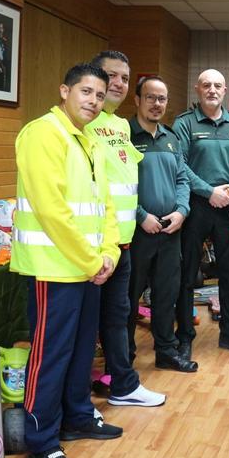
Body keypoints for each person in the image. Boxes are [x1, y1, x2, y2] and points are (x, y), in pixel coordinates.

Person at [12, 63, 125, 458]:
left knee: (82, 351)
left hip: (89, 268)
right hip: (54, 270)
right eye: (87, 92)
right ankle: (41, 439)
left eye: (100, 95)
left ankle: (78, 416)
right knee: (51, 355)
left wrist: (109, 252)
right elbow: (52, 210)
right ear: (64, 91)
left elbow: (105, 205)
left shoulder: (90, 139)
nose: (94, 101)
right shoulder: (43, 133)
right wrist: (92, 260)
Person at [84, 51, 166, 406]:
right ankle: (79, 397)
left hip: (123, 241)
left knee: (119, 318)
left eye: (123, 78)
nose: (117, 83)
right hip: (92, 245)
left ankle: (123, 385)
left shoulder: (119, 126)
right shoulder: (84, 122)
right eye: (110, 76)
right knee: (88, 325)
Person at [173, 69, 229, 356]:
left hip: (228, 208)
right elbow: (179, 164)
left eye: (217, 86)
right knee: (188, 274)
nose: (212, 90)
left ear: (224, 91)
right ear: (197, 89)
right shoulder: (184, 124)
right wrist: (210, 192)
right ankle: (184, 336)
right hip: (195, 207)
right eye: (206, 85)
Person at [128, 75, 195, 373]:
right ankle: (124, 356)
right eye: (151, 97)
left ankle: (166, 352)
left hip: (170, 231)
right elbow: (117, 185)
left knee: (166, 295)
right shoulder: (125, 137)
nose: (157, 104)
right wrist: (142, 216)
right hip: (137, 232)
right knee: (128, 298)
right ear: (137, 100)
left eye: (162, 99)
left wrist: (181, 211)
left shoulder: (171, 138)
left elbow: (182, 178)